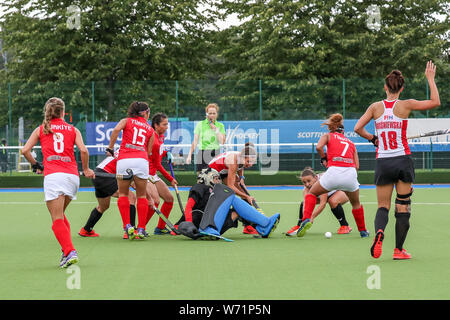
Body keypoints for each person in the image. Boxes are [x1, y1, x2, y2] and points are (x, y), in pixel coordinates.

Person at [354, 61, 440, 260]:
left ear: (385, 87)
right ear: (401, 88)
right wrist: (430, 79)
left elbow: (358, 128)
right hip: (402, 159)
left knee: (382, 206)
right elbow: (435, 102)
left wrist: (374, 139)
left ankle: (379, 233)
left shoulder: (375, 107)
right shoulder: (406, 104)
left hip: (383, 162)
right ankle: (398, 250)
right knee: (403, 206)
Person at [22, 97, 95, 268]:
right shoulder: (73, 129)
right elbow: (83, 150)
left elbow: (25, 150)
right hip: (72, 177)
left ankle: (70, 252)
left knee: (56, 219)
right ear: (63, 112)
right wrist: (86, 169)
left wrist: (36, 165)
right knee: (61, 215)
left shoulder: (42, 129)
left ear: (47, 111)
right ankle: (66, 252)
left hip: (54, 177)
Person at [297, 113, 369, 239]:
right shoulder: (351, 143)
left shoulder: (328, 136)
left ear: (332, 128)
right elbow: (357, 166)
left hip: (333, 172)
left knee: (312, 193)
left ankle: (306, 219)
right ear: (343, 131)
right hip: (351, 174)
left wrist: (324, 158)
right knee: (356, 203)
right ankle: (363, 231)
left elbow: (319, 147)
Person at [177, 167, 280, 240]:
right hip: (204, 224)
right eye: (215, 178)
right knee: (232, 197)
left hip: (216, 226)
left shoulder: (213, 192)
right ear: (206, 178)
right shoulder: (200, 187)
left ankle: (262, 227)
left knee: (238, 208)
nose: (218, 181)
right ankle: (265, 224)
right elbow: (189, 206)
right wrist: (189, 223)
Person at [107, 101, 155, 240]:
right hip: (141, 161)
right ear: (145, 113)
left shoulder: (126, 121)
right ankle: (141, 228)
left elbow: (116, 130)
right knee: (141, 196)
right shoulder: (150, 129)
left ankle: (127, 226)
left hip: (124, 160)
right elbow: (149, 151)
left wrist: (110, 148)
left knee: (123, 194)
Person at [78, 148, 138, 239]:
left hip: (98, 175)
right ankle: (131, 230)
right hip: (106, 176)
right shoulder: (133, 152)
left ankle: (86, 230)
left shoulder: (125, 149)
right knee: (131, 197)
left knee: (103, 206)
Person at [208, 142, 260, 235]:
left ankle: (248, 226)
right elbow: (230, 186)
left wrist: (241, 179)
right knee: (219, 198)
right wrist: (246, 196)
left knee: (245, 195)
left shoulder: (242, 157)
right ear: (244, 158)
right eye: (248, 161)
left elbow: (241, 169)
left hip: (224, 171)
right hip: (211, 172)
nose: (251, 164)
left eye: (252, 162)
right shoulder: (234, 162)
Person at [285, 167, 352, 236]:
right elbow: (306, 205)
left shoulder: (322, 183)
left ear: (316, 178)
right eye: (304, 182)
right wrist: (305, 219)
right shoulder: (306, 190)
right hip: (330, 193)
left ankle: (345, 226)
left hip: (346, 189)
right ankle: (298, 226)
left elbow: (322, 204)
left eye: (309, 181)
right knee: (304, 203)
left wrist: (312, 217)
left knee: (332, 201)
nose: (307, 184)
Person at [143, 112, 178, 235]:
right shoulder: (154, 140)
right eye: (164, 124)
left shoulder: (160, 137)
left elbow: (158, 154)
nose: (167, 127)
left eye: (167, 124)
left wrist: (166, 153)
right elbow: (157, 164)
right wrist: (170, 179)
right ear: (156, 125)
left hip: (153, 174)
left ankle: (160, 228)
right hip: (146, 174)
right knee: (155, 201)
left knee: (169, 199)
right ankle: (140, 228)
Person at [186, 103, 226, 172]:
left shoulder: (220, 125)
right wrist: (189, 155)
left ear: (217, 114)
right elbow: (195, 141)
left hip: (215, 154)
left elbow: (222, 142)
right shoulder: (200, 124)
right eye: (210, 113)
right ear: (207, 114)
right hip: (202, 153)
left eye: (214, 113)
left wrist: (216, 129)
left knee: (215, 178)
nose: (212, 115)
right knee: (201, 179)